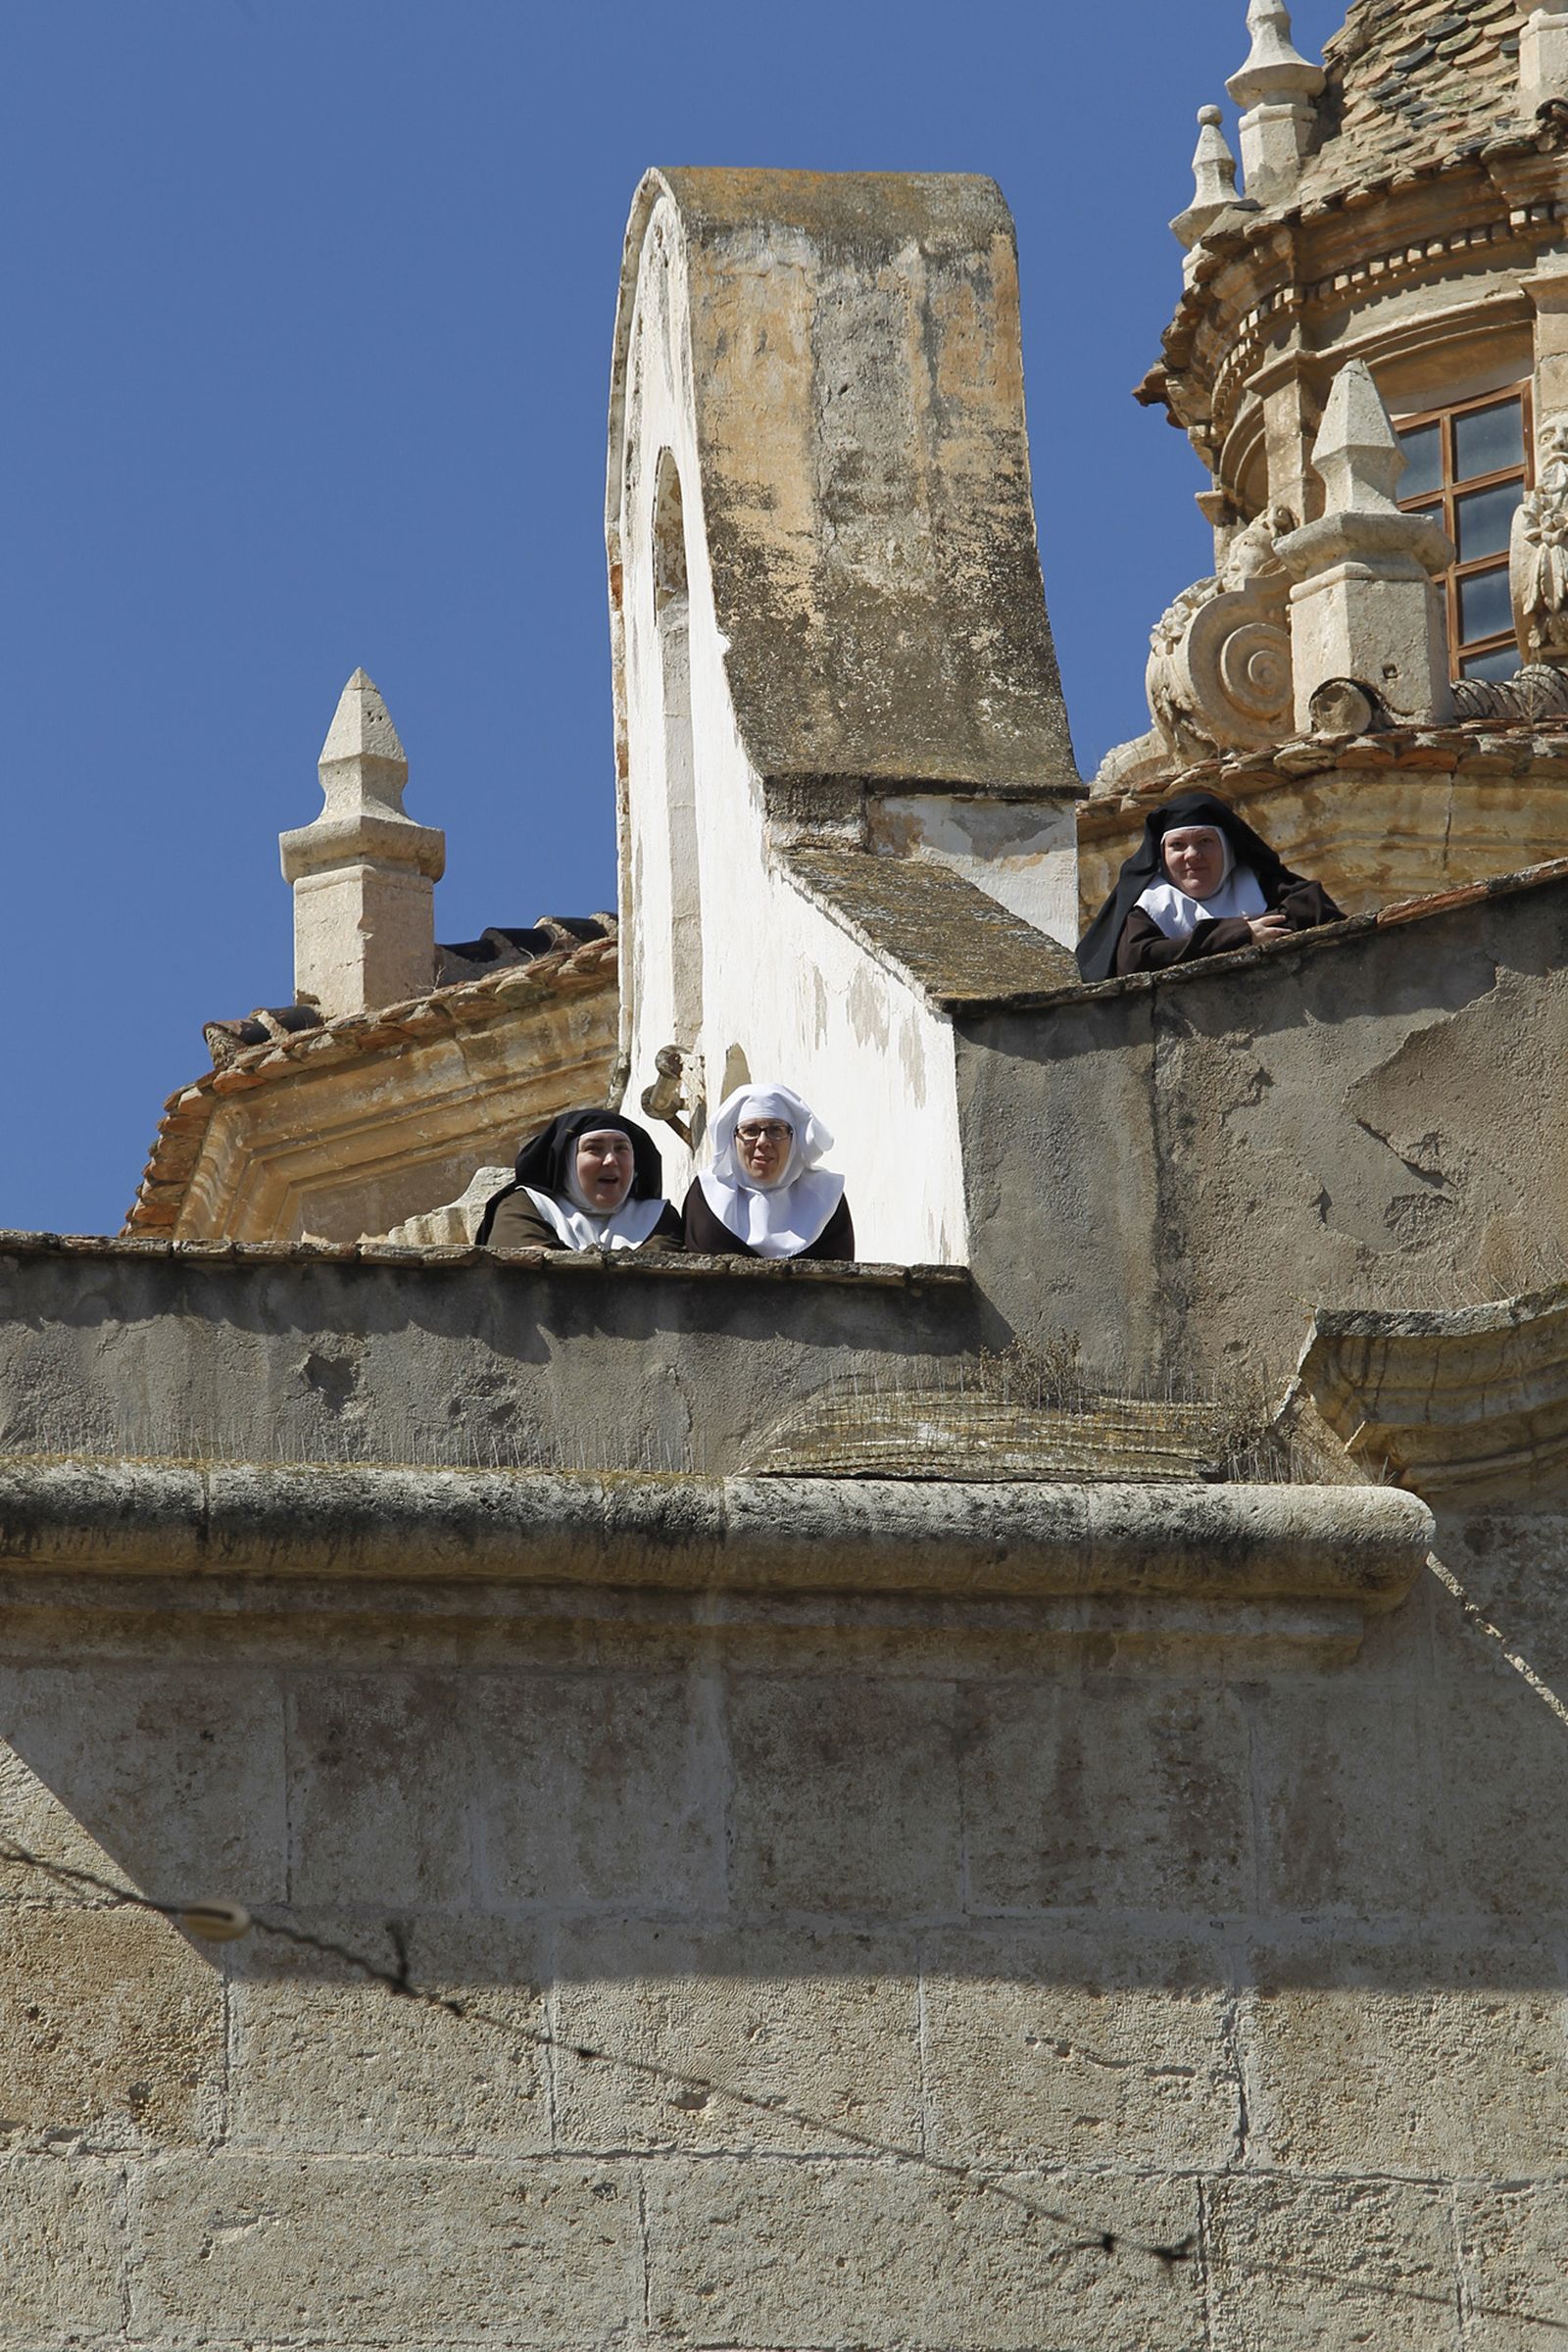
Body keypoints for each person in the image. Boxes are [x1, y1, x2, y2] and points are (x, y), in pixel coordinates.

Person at [1075, 789, 1344, 983]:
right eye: (1177, 845)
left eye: (1205, 842)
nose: (1192, 855)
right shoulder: (1150, 904)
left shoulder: (1254, 882)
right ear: (1163, 856)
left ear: (1227, 849)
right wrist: (1240, 933)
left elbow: (1315, 907)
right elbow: (1137, 959)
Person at [683, 1083, 855, 1260]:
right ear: (733, 1139)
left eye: (776, 1130)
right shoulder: (707, 1194)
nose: (763, 1141)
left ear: (793, 1139)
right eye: (750, 1130)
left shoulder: (826, 1197)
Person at [479, 1107, 683, 1251]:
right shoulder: (525, 1207)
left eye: (621, 1148)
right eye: (594, 1148)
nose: (611, 1160)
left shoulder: (657, 1217)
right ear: (566, 1161)